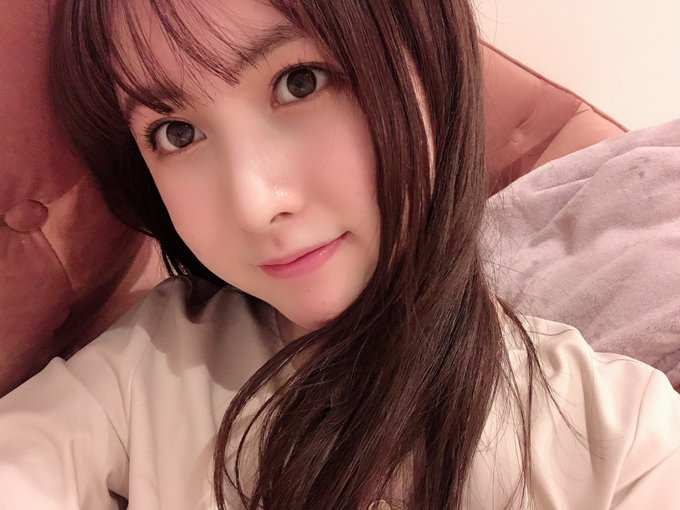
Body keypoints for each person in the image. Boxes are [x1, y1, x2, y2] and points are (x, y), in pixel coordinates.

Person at [1, 0, 679, 508]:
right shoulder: (146, 365)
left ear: (430, 62)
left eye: (299, 82)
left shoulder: (624, 437)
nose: (254, 205)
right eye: (176, 132)